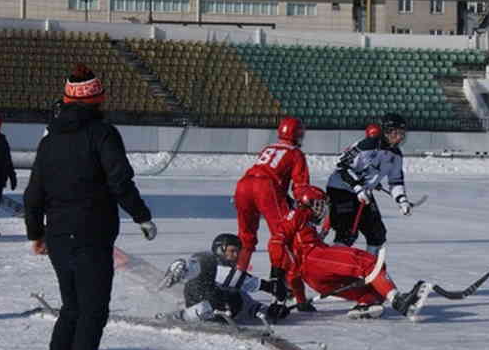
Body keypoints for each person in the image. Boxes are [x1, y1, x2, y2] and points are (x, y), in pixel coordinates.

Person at [25, 64, 156, 350]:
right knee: (93, 310)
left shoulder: (50, 139)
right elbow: (119, 182)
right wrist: (141, 215)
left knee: (72, 307)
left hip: (58, 235)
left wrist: (35, 233)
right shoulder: (102, 134)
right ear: (98, 99)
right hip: (91, 234)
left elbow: (33, 192)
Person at [278, 185, 431, 320]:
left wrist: (301, 301)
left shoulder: (303, 227)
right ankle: (399, 301)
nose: (321, 209)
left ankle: (365, 304)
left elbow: (293, 273)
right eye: (318, 205)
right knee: (370, 262)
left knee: (376, 290)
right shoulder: (297, 215)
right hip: (316, 259)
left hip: (315, 279)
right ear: (304, 204)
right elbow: (278, 241)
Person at [233, 116, 309, 301]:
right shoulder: (296, 153)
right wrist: (303, 205)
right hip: (266, 188)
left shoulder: (269, 148)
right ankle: (279, 286)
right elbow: (300, 187)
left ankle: (235, 280)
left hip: (244, 184)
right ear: (297, 134)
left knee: (246, 237)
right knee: (282, 237)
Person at [326, 113, 412, 255]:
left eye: (403, 133)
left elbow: (395, 181)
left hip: (364, 193)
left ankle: (369, 268)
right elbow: (342, 166)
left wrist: (402, 200)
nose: (400, 137)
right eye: (397, 133)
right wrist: (358, 188)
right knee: (346, 232)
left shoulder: (396, 155)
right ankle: (336, 265)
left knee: (377, 234)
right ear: (386, 131)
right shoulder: (366, 146)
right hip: (340, 189)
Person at [160, 233, 288, 324]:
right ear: (220, 250)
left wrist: (270, 311)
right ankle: (181, 271)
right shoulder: (220, 269)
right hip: (197, 293)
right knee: (206, 262)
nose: (236, 255)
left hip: (216, 306)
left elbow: (248, 303)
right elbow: (236, 278)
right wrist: (269, 286)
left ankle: (186, 314)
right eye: (232, 251)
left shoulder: (234, 279)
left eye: (238, 251)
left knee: (235, 297)